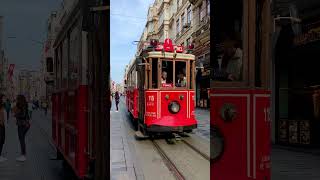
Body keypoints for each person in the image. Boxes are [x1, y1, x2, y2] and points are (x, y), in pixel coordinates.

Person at [13, 95, 30, 162]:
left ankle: (23, 155)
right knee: (22, 139)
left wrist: (16, 115)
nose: (16, 100)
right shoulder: (24, 105)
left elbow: (23, 115)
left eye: (17, 99)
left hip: (22, 125)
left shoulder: (22, 106)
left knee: (21, 139)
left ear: (20, 99)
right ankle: (23, 154)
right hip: (25, 125)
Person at [0, 95, 7, 162]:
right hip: (1, 126)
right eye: (4, 98)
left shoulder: (2, 106)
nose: (5, 99)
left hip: (2, 125)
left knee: (2, 140)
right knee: (1, 140)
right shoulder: (1, 107)